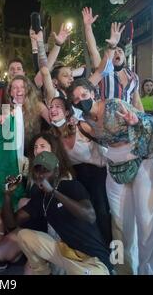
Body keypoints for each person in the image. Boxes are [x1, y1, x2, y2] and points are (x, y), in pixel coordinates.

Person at [67, 76, 153, 275]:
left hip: (140, 162)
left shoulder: (114, 105)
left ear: (93, 93)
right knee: (119, 224)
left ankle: (152, 271)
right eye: (76, 99)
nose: (81, 100)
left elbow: (149, 122)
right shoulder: (84, 120)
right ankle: (123, 269)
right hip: (114, 167)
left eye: (84, 95)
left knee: (147, 223)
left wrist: (136, 121)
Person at [0, 132, 73, 273]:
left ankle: (37, 257)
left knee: (31, 270)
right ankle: (22, 254)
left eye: (42, 146)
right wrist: (8, 194)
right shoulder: (31, 170)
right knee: (0, 253)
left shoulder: (65, 178)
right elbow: (12, 222)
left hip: (54, 233)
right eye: (35, 147)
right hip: (32, 225)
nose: (38, 150)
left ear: (53, 149)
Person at [15, 150, 112, 275]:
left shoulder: (70, 186)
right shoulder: (41, 199)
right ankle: (42, 272)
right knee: (24, 235)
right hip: (67, 255)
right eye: (37, 170)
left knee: (85, 273)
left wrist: (54, 192)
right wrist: (7, 196)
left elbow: (89, 215)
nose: (41, 175)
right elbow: (13, 222)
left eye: (45, 170)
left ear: (56, 171)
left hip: (93, 260)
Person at [48, 96, 112, 245]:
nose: (53, 109)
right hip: (78, 176)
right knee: (84, 214)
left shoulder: (80, 126)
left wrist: (88, 120)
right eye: (51, 107)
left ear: (67, 112)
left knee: (101, 212)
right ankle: (91, 247)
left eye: (58, 106)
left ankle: (109, 253)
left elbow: (104, 134)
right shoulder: (54, 137)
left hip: (99, 172)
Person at [82, 7, 143, 110]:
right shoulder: (103, 70)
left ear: (124, 57)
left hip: (125, 122)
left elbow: (136, 102)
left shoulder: (133, 77)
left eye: (120, 51)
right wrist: (88, 27)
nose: (117, 53)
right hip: (104, 121)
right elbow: (93, 49)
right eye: (114, 52)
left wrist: (144, 123)